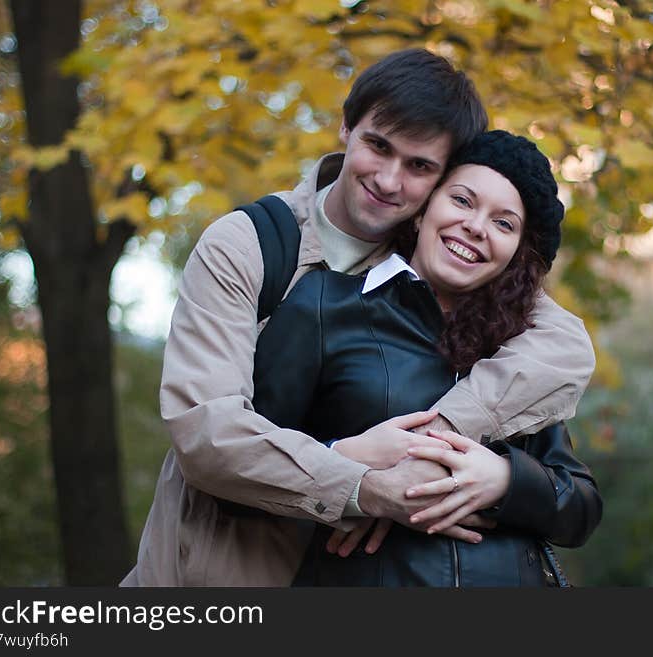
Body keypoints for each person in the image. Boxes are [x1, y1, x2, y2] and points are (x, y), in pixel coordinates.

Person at [122, 49, 595, 587]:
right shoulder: (252, 245)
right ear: (346, 126)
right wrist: (358, 479)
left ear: (442, 179)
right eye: (378, 146)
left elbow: (564, 343)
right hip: (222, 575)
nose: (390, 182)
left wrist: (438, 439)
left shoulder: (434, 265)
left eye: (419, 166)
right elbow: (208, 433)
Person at [249, 130, 602, 586]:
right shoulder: (324, 306)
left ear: (515, 254)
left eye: (504, 223)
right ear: (422, 211)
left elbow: (581, 507)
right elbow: (245, 470)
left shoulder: (521, 350)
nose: (476, 226)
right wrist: (356, 476)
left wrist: (504, 481)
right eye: (462, 200)